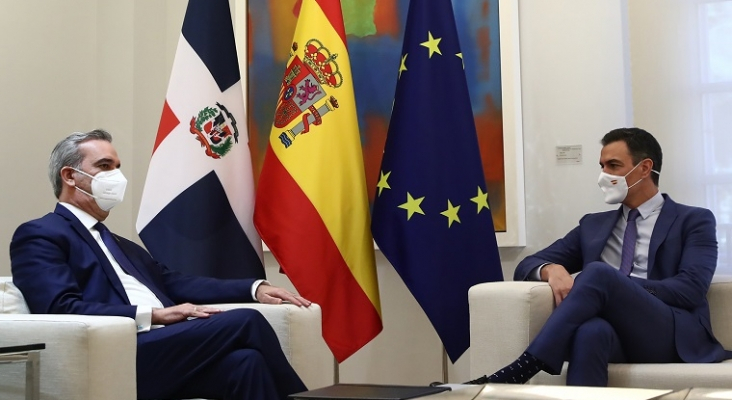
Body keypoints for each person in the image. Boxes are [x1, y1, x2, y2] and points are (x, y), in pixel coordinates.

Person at [10, 129, 310, 400]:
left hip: (164, 350)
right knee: (247, 321)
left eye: (117, 167)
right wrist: (155, 315)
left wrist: (254, 288)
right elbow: (60, 307)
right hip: (121, 351)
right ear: (70, 176)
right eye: (104, 166)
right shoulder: (41, 234)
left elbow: (173, 282)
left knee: (247, 363)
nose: (116, 175)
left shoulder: (119, 243)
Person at [466, 127, 731, 386]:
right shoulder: (593, 225)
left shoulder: (694, 220)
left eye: (613, 165)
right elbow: (527, 265)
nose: (603, 175)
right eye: (602, 166)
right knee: (589, 332)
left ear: (645, 168)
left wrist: (618, 288)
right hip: (617, 334)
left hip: (669, 332)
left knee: (598, 273)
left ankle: (523, 367)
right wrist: (551, 269)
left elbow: (691, 289)